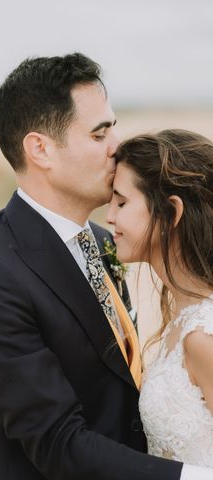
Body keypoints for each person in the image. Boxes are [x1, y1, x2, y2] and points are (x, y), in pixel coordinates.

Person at [0, 54, 212, 479]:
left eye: (114, 127)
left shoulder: (105, 246)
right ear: (41, 150)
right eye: (100, 133)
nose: (116, 145)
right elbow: (56, 442)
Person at [106, 129, 213, 467]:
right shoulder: (182, 319)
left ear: (171, 213)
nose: (109, 216)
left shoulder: (203, 337)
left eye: (121, 202)